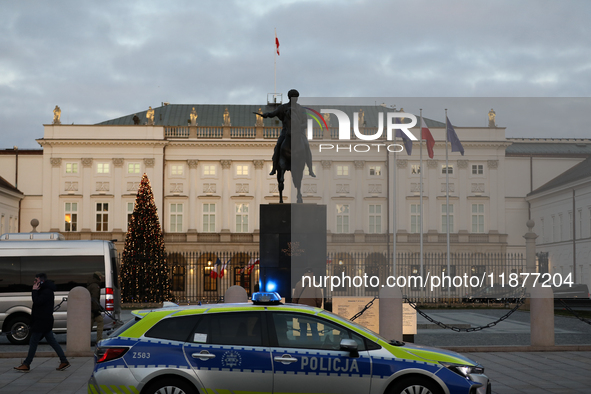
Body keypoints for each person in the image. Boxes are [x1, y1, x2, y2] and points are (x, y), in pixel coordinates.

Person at [14, 273, 69, 372]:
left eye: (36, 280)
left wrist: (34, 291)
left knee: (33, 341)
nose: (34, 282)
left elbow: (37, 302)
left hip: (42, 321)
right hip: (43, 321)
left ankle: (26, 364)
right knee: (52, 341)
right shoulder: (45, 290)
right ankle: (64, 361)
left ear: (41, 281)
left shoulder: (46, 292)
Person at [262, 89, 315, 178]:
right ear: (289, 98)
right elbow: (273, 113)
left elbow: (305, 123)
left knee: (306, 145)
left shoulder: (301, 109)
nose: (295, 99)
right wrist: (267, 114)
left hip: (299, 133)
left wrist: (298, 127)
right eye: (293, 97)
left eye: (296, 98)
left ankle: (310, 169)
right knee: (278, 145)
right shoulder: (283, 107)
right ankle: (274, 168)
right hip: (286, 132)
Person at [87, 271, 104, 343]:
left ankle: (85, 340)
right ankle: (99, 339)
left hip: (90, 308)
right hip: (93, 309)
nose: (101, 278)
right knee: (100, 321)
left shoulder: (90, 285)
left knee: (89, 326)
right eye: (100, 277)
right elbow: (95, 298)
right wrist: (96, 309)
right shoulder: (95, 286)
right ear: (98, 277)